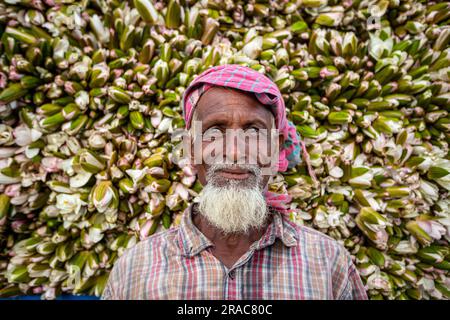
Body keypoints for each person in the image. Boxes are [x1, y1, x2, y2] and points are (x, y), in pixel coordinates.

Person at [102, 64, 368, 300]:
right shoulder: (134, 269)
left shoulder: (328, 263)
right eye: (214, 131)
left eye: (254, 131)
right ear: (191, 149)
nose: (235, 151)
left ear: (275, 149)